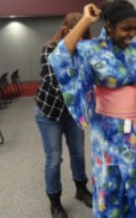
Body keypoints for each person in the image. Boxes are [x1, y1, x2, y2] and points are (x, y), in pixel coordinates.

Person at [49, 0, 136, 218]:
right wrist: (86, 20)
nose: (131, 33)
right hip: (107, 133)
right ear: (109, 26)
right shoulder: (90, 50)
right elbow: (59, 56)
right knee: (110, 186)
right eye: (126, 28)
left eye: (135, 28)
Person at [34, 13, 92, 218]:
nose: (82, 40)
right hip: (49, 113)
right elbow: (56, 83)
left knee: (78, 152)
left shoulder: (83, 52)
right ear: (68, 32)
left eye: (85, 36)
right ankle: (55, 201)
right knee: (54, 158)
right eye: (79, 35)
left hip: (73, 113)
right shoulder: (50, 50)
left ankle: (81, 190)